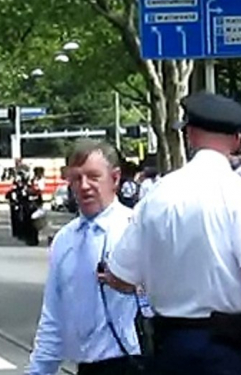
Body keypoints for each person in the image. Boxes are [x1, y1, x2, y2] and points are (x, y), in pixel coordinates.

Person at [106, 92, 241, 375]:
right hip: (223, 351)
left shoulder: (155, 196)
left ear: (190, 135)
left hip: (168, 348)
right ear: (237, 139)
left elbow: (120, 276)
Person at [28, 139, 141, 375]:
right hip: (87, 368)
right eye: (76, 178)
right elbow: (53, 318)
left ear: (115, 178)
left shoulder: (135, 229)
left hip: (133, 364)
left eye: (93, 176)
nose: (84, 186)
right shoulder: (64, 240)